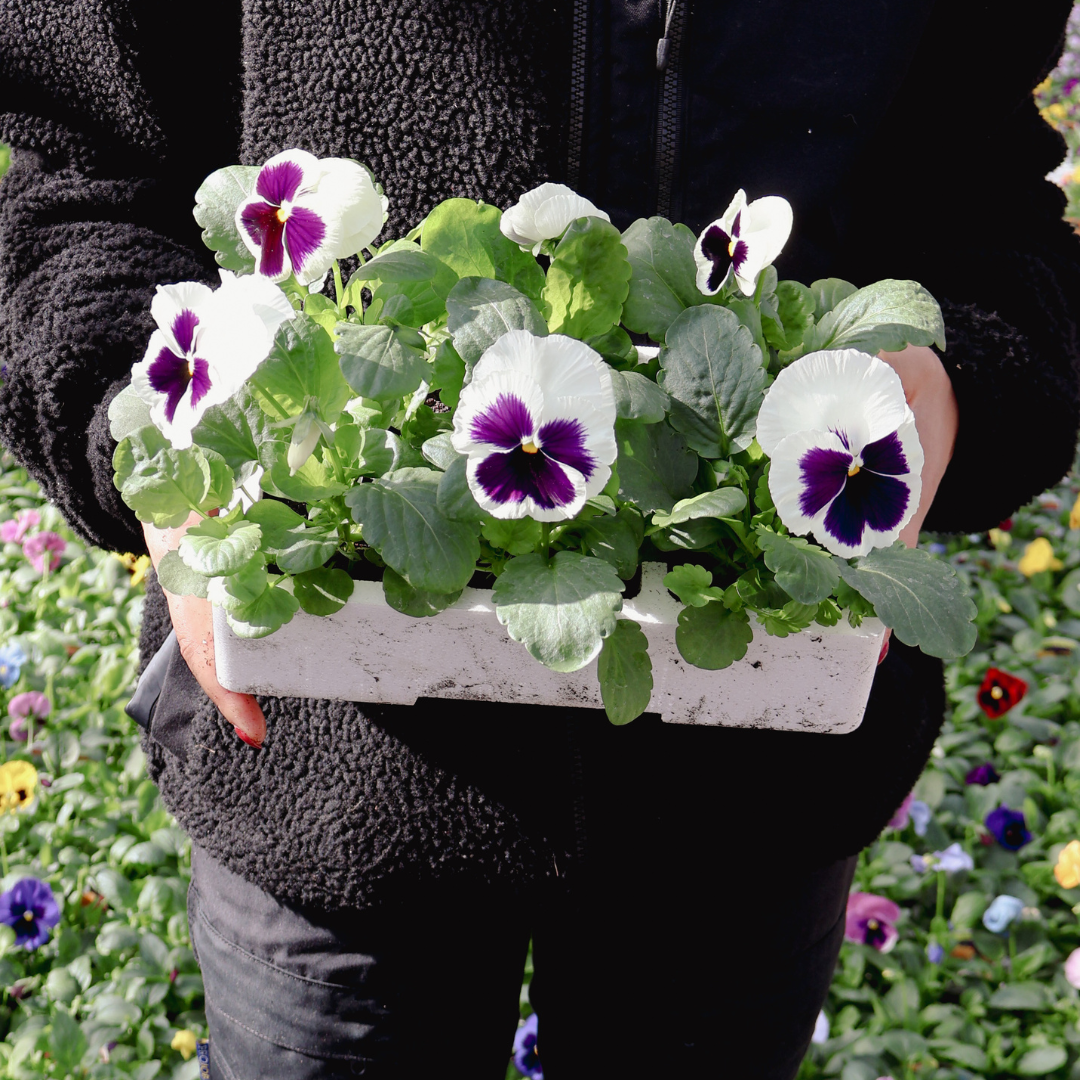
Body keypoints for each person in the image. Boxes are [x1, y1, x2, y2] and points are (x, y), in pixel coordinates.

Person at [1, 2, 1078, 1076]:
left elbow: (982, 183)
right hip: (329, 765)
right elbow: (88, 158)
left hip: (747, 794)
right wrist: (148, 432)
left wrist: (956, 378)